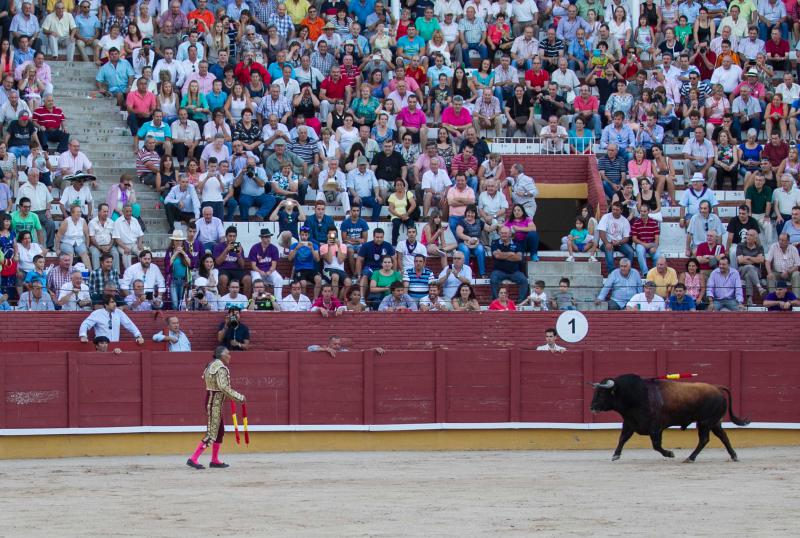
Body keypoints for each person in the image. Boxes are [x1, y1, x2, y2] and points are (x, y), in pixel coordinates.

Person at [186, 346, 246, 470]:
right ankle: (193, 459)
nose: (229, 356)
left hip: (213, 401)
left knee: (219, 431)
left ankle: (214, 460)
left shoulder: (210, 365)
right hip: (214, 403)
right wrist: (239, 397)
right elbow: (223, 387)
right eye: (227, 353)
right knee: (212, 433)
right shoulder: (221, 368)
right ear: (221, 355)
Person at [79, 296, 144, 343]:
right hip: (101, 346)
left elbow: (129, 324)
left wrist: (138, 335)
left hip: (115, 345)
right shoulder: (97, 313)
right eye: (112, 302)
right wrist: (83, 335)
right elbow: (85, 324)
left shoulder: (119, 312)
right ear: (106, 304)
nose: (115, 304)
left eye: (115, 302)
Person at [489, 226, 529, 302]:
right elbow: (497, 256)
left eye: (505, 233)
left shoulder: (517, 243)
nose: (503, 235)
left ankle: (521, 301)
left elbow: (519, 258)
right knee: (493, 280)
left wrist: (502, 255)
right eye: (502, 233)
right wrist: (511, 254)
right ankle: (496, 301)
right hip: (499, 271)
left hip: (514, 272)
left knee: (524, 280)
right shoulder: (495, 243)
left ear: (510, 234)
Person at [598, 202, 634, 272]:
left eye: (617, 210)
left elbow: (626, 238)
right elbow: (601, 232)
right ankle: (612, 273)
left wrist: (618, 242)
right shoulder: (606, 217)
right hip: (606, 242)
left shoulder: (625, 221)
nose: (614, 211)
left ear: (621, 210)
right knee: (609, 249)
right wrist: (607, 243)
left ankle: (627, 271)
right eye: (613, 209)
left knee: (630, 252)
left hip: (619, 243)